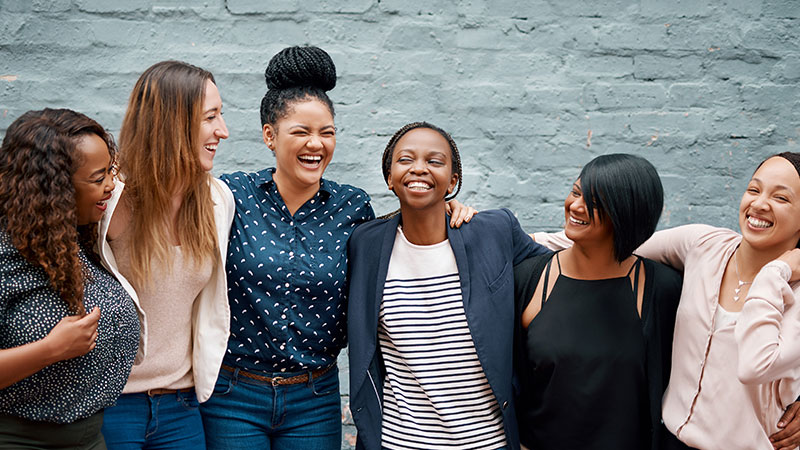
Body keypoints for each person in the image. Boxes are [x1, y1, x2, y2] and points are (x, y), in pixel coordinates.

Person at [200, 47, 474, 450]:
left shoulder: (353, 206)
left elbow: (400, 237)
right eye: (301, 132)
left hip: (314, 398)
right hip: (234, 395)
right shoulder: (232, 196)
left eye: (327, 133)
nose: (316, 144)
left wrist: (445, 206)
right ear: (269, 135)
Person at [534, 152, 800, 450]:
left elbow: (755, 366)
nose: (760, 204)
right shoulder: (704, 245)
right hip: (670, 441)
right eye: (754, 189)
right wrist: (489, 232)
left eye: (781, 198)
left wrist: (775, 273)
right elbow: (610, 239)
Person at [347, 121, 550, 450]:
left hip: (488, 442)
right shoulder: (364, 244)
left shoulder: (492, 231)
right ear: (389, 177)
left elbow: (563, 269)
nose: (419, 169)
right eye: (406, 160)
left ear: (453, 181)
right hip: (400, 442)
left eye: (434, 161)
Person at [99, 60, 234, 449]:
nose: (222, 131)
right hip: (113, 406)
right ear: (172, 121)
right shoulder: (110, 201)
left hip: (181, 407)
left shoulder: (215, 200)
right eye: (210, 117)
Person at [513, 154, 682, 450]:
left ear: (626, 212)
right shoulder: (528, 279)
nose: (577, 206)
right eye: (576, 192)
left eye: (595, 201)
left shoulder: (662, 289)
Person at [0, 108, 139, 449]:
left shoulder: (75, 239)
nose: (110, 186)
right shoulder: (6, 256)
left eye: (111, 171)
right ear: (54, 189)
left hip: (90, 437)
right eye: (98, 178)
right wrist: (49, 350)